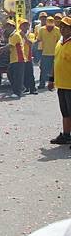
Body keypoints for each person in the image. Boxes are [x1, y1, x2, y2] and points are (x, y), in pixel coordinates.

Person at [48, 16, 71, 144]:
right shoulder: (59, 43)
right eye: (61, 27)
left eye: (65, 27)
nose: (62, 29)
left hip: (70, 84)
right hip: (61, 84)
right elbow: (55, 62)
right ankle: (66, 135)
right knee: (65, 112)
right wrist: (51, 79)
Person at [0, 20, 25, 99]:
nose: (8, 27)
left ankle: (17, 92)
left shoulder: (15, 35)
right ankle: (20, 88)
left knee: (16, 76)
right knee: (10, 74)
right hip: (14, 59)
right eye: (7, 26)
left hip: (18, 58)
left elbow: (9, 46)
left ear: (13, 27)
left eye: (9, 26)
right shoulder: (11, 35)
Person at [37, 16, 61, 89]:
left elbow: (59, 41)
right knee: (43, 70)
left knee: (53, 70)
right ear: (46, 24)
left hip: (55, 53)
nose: (50, 27)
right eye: (48, 26)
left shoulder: (57, 30)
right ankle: (42, 84)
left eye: (51, 26)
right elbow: (38, 40)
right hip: (45, 53)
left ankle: (51, 84)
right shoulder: (41, 30)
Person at [19, 19, 38, 95]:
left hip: (28, 57)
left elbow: (30, 44)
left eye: (26, 25)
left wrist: (24, 37)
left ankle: (33, 89)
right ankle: (26, 87)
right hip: (20, 57)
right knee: (23, 73)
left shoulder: (31, 35)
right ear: (20, 26)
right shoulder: (17, 34)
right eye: (23, 25)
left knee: (30, 73)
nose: (25, 26)